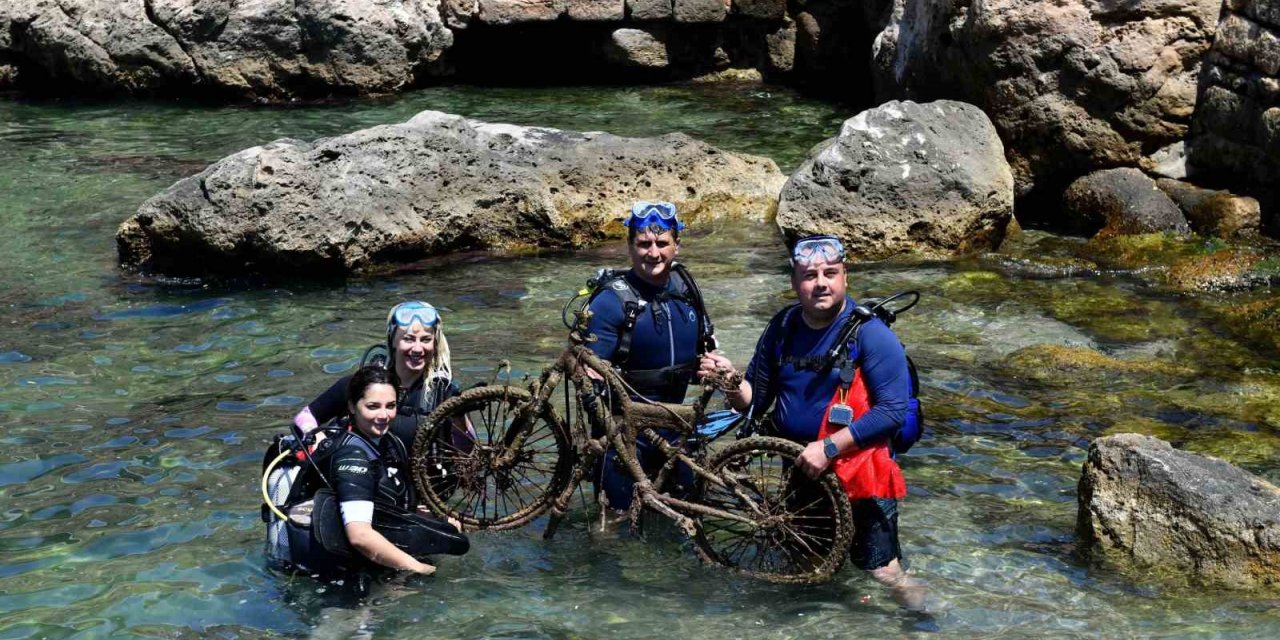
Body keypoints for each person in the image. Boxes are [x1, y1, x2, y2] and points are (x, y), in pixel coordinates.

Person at [698, 234, 926, 608]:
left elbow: (891, 412)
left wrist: (829, 447)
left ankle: (926, 625)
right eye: (809, 275)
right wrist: (731, 381)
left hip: (861, 473)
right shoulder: (782, 328)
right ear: (794, 282)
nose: (820, 282)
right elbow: (754, 401)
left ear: (845, 277)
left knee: (884, 572)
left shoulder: (871, 336)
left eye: (830, 273)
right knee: (804, 562)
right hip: (801, 469)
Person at [265, 366, 469, 586]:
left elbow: (385, 504)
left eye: (390, 406)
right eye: (372, 407)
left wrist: (436, 518)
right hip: (338, 581)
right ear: (352, 406)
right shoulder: (352, 457)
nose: (383, 415)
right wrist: (418, 568)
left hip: (371, 563)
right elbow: (360, 536)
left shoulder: (388, 443)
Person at [582, 201, 716, 512]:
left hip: (677, 426)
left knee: (688, 517)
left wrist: (712, 367)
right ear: (629, 246)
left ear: (677, 246)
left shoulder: (686, 289)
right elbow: (586, 374)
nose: (653, 253)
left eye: (662, 243)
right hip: (627, 437)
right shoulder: (611, 301)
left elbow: (702, 352)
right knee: (617, 524)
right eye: (643, 244)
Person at [294, 301, 470, 454]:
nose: (417, 349)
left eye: (425, 340)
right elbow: (305, 417)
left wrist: (460, 416)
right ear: (392, 341)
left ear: (435, 343)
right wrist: (316, 437)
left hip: (420, 486)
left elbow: (468, 451)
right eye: (408, 339)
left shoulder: (444, 393)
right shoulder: (363, 384)